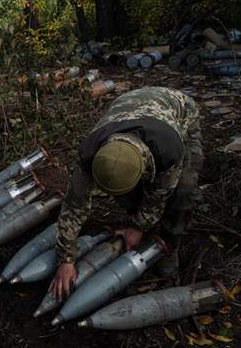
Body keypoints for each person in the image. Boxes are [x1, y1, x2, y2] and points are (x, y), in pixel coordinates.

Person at [49, 86, 203, 301]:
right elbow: (74, 206)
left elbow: (159, 195)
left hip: (179, 109)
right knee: (128, 193)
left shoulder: (169, 149)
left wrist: (139, 226)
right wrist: (66, 259)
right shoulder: (90, 154)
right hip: (128, 104)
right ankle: (139, 226)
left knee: (184, 191)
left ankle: (169, 244)